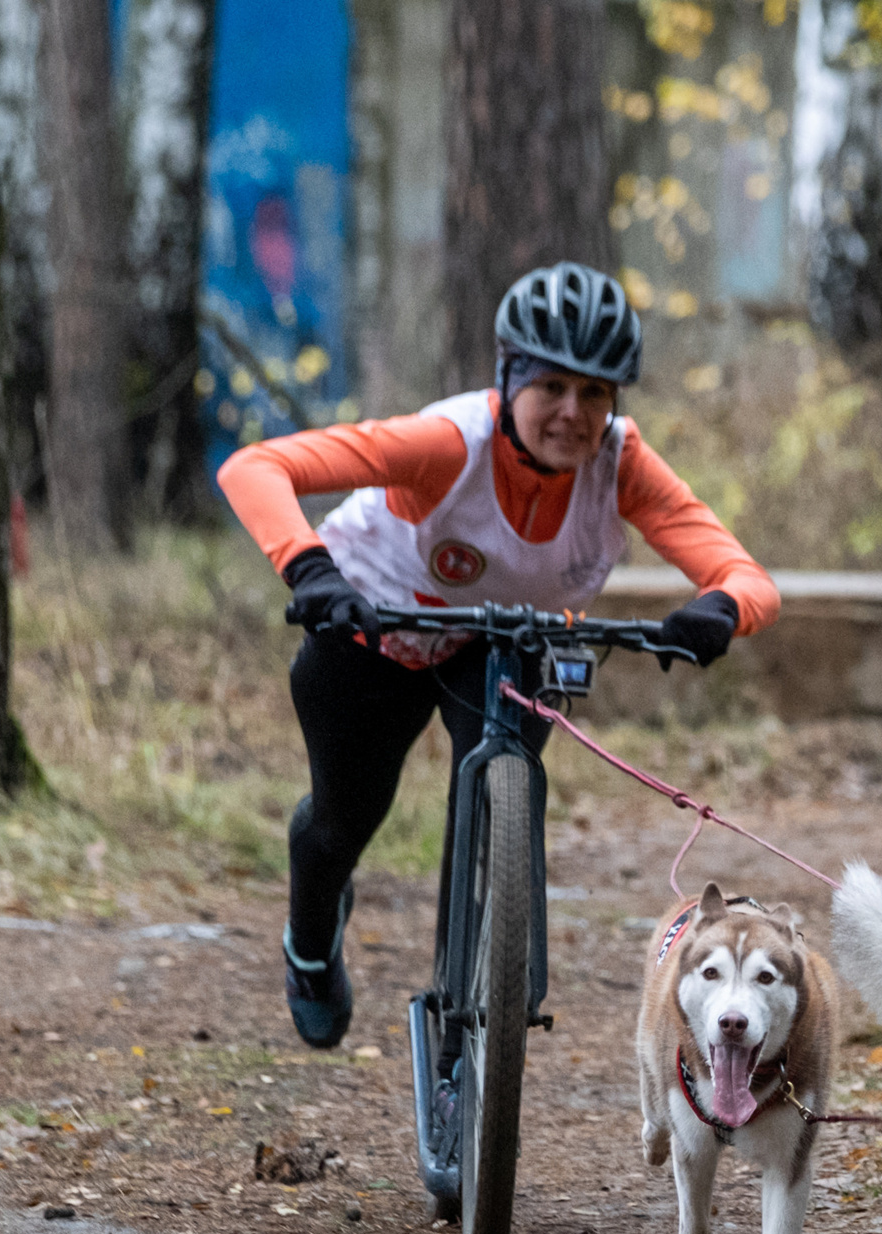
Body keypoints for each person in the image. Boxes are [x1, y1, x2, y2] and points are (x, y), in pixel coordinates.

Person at [218, 262, 780, 1049]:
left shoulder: (621, 465)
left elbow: (747, 578)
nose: (572, 412)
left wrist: (718, 609)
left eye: (595, 393)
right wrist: (310, 570)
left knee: (491, 819)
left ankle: (465, 1034)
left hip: (504, 643)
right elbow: (256, 466)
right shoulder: (446, 444)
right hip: (372, 628)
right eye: (551, 386)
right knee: (344, 820)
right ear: (507, 377)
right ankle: (309, 942)